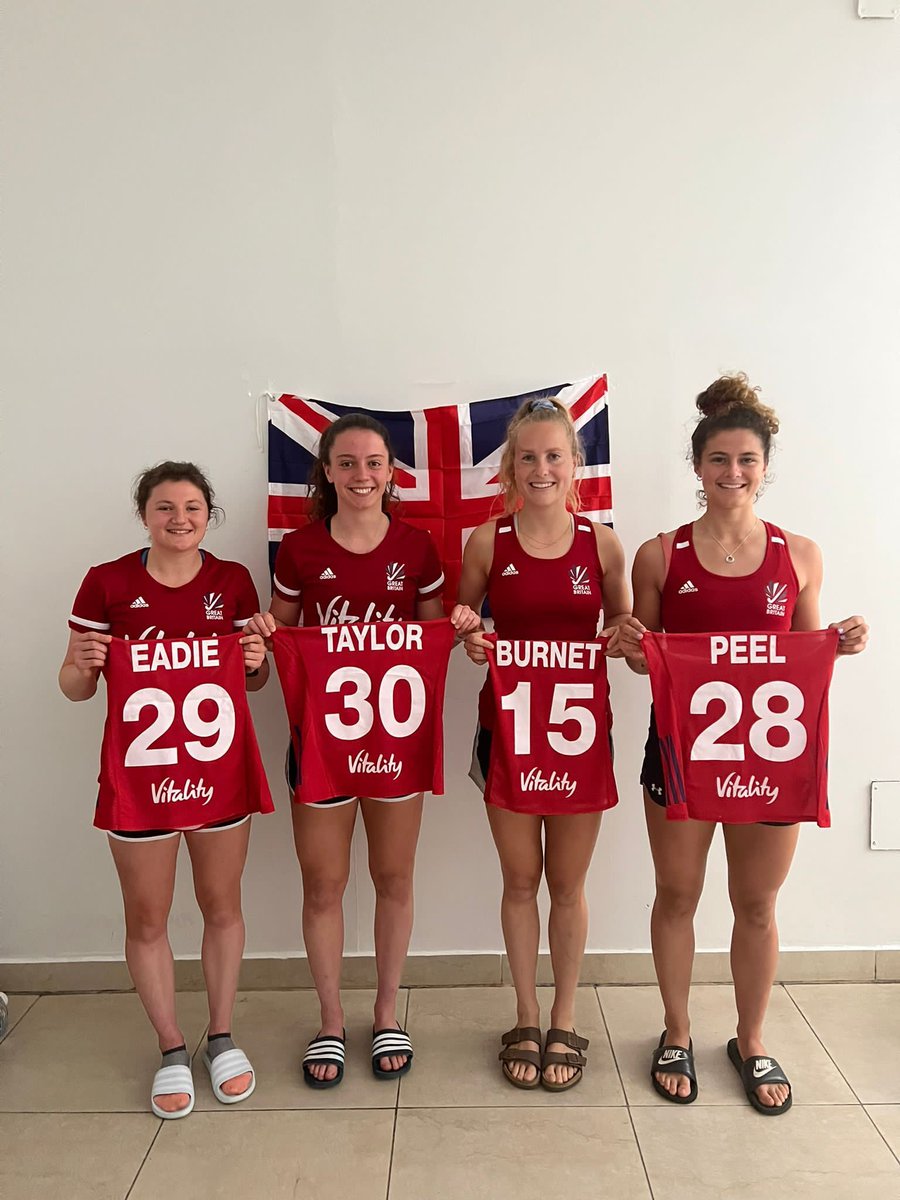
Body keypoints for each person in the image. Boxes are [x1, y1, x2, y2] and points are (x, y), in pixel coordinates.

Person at [616, 374, 868, 1115]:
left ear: (766, 468)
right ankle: (676, 1030)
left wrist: (842, 642)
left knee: (756, 905)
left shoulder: (801, 555)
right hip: (682, 754)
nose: (732, 474)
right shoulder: (660, 555)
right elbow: (643, 655)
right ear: (697, 469)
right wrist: (634, 643)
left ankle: (751, 1039)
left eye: (746, 461)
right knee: (677, 896)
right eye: (719, 460)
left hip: (768, 760)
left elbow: (806, 647)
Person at [246, 414, 479, 1088]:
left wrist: (460, 627)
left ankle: (384, 1012)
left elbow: (435, 639)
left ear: (391, 472)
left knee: (393, 879)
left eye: (373, 462)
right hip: (321, 743)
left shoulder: (420, 546)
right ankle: (328, 1019)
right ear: (325, 471)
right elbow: (278, 641)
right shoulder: (299, 550)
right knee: (323, 884)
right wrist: (263, 636)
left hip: (395, 744)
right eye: (346, 463)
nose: (361, 475)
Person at [59, 462, 271, 1119]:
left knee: (221, 905)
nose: (179, 519)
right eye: (164, 507)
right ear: (143, 514)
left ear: (209, 514)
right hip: (141, 780)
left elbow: (251, 686)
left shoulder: (232, 582)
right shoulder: (107, 582)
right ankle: (171, 1046)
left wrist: (257, 665)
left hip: (217, 775)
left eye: (192, 508)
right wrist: (79, 665)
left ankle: (222, 1035)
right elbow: (74, 686)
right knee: (147, 918)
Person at [458, 396, 631, 1091]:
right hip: (507, 732)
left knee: (567, 883)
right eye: (527, 456)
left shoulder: (604, 543)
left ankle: (564, 1017)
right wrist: (469, 635)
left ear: (574, 463)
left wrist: (629, 640)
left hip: (580, 735)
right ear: (509, 466)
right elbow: (461, 621)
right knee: (521, 880)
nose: (540, 468)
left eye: (553, 455)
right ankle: (525, 1015)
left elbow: (624, 629)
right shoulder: (485, 541)